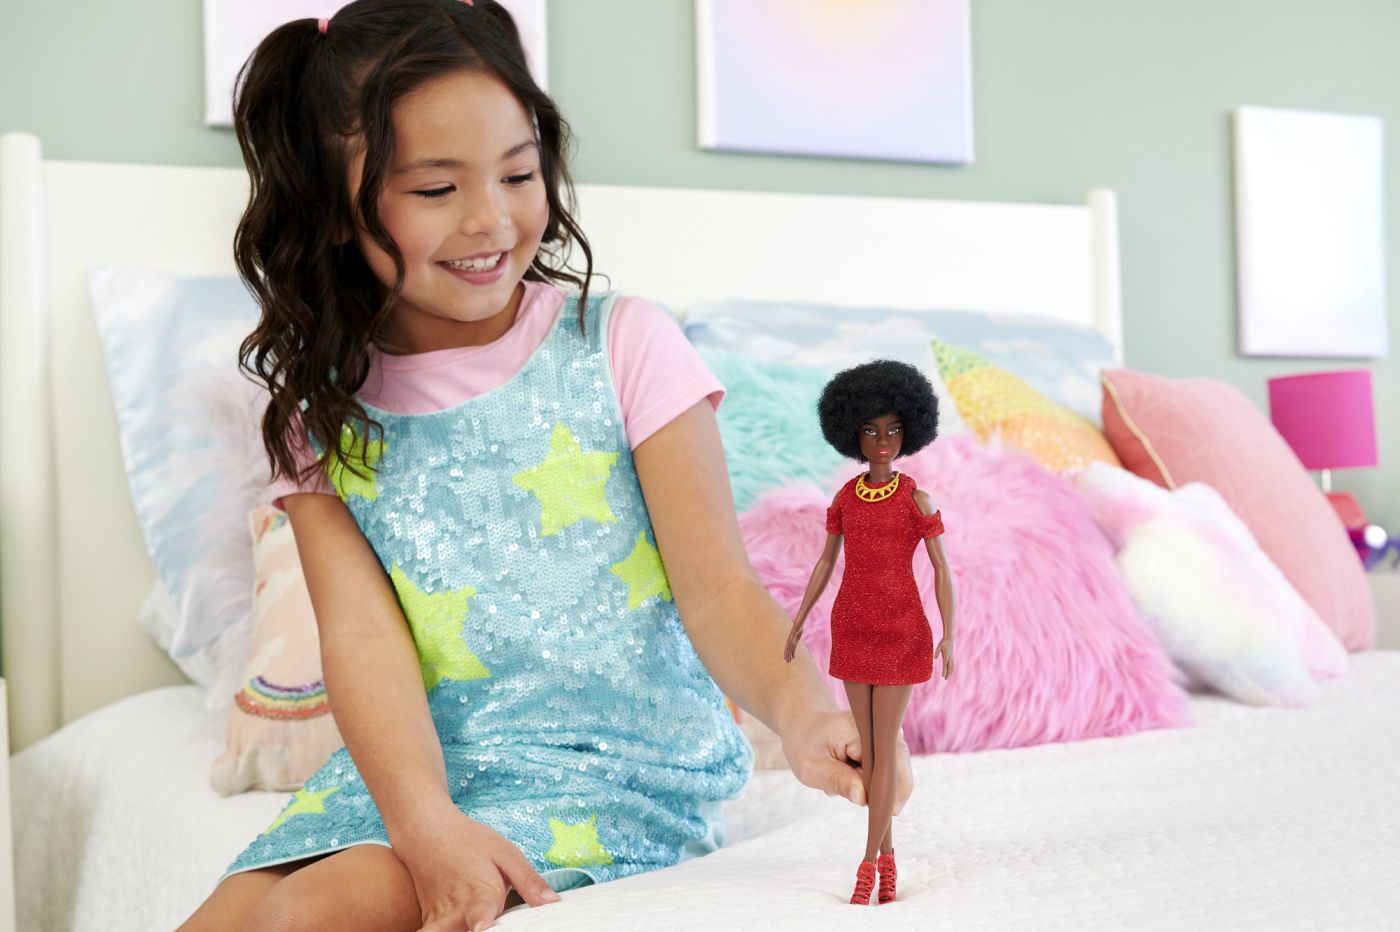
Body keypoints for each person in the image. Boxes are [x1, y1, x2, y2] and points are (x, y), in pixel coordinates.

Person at [178, 2, 911, 930]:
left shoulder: (623, 344)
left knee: (310, 916)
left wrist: (806, 715)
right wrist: (423, 821)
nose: (491, 218)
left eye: (518, 174)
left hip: (607, 778)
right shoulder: (321, 412)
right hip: (415, 779)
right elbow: (362, 643)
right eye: (435, 190)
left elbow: (722, 591)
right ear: (333, 209)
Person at [783, 359, 956, 906]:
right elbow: (824, 563)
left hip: (902, 629)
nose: (883, 441)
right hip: (853, 627)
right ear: (852, 435)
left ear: (910, 431)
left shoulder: (916, 500)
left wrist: (949, 634)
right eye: (870, 430)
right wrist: (798, 620)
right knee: (873, 755)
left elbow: (943, 569)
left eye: (893, 430)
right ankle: (889, 858)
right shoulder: (845, 498)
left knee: (886, 745)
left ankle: (867, 863)